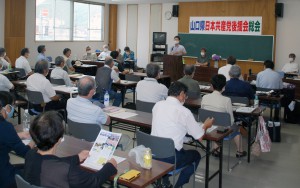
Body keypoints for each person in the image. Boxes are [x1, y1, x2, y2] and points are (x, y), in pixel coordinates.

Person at [24, 111, 117, 187]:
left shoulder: (30, 154)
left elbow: (51, 162)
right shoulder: (68, 171)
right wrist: (110, 166)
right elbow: (94, 181)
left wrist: (77, 157)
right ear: (59, 140)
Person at [151, 81, 213, 188]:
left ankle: (164, 181)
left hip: (153, 154)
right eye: (185, 95)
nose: (185, 98)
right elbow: (199, 137)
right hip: (171, 158)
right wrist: (206, 125)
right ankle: (178, 185)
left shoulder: (157, 105)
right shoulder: (184, 111)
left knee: (179, 149)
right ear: (181, 94)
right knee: (196, 155)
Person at [201, 74, 247, 158]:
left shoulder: (204, 97)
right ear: (224, 87)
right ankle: (240, 151)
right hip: (221, 130)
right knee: (236, 128)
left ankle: (216, 150)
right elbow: (230, 120)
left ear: (211, 86)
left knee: (216, 124)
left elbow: (203, 114)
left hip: (207, 128)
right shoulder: (226, 100)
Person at [0, 91, 34, 188]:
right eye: (12, 106)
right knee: (36, 169)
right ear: (6, 107)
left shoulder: (5, 128)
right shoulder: (5, 126)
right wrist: (35, 140)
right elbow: (25, 152)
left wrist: (17, 135)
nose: (13, 109)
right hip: (4, 178)